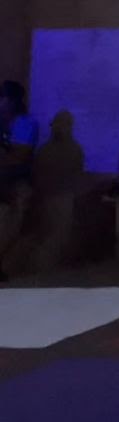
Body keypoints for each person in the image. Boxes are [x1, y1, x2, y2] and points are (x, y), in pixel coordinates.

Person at [0, 79, 40, 282]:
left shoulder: (26, 123)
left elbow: (20, 156)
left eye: (5, 99)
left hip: (16, 180)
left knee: (12, 220)